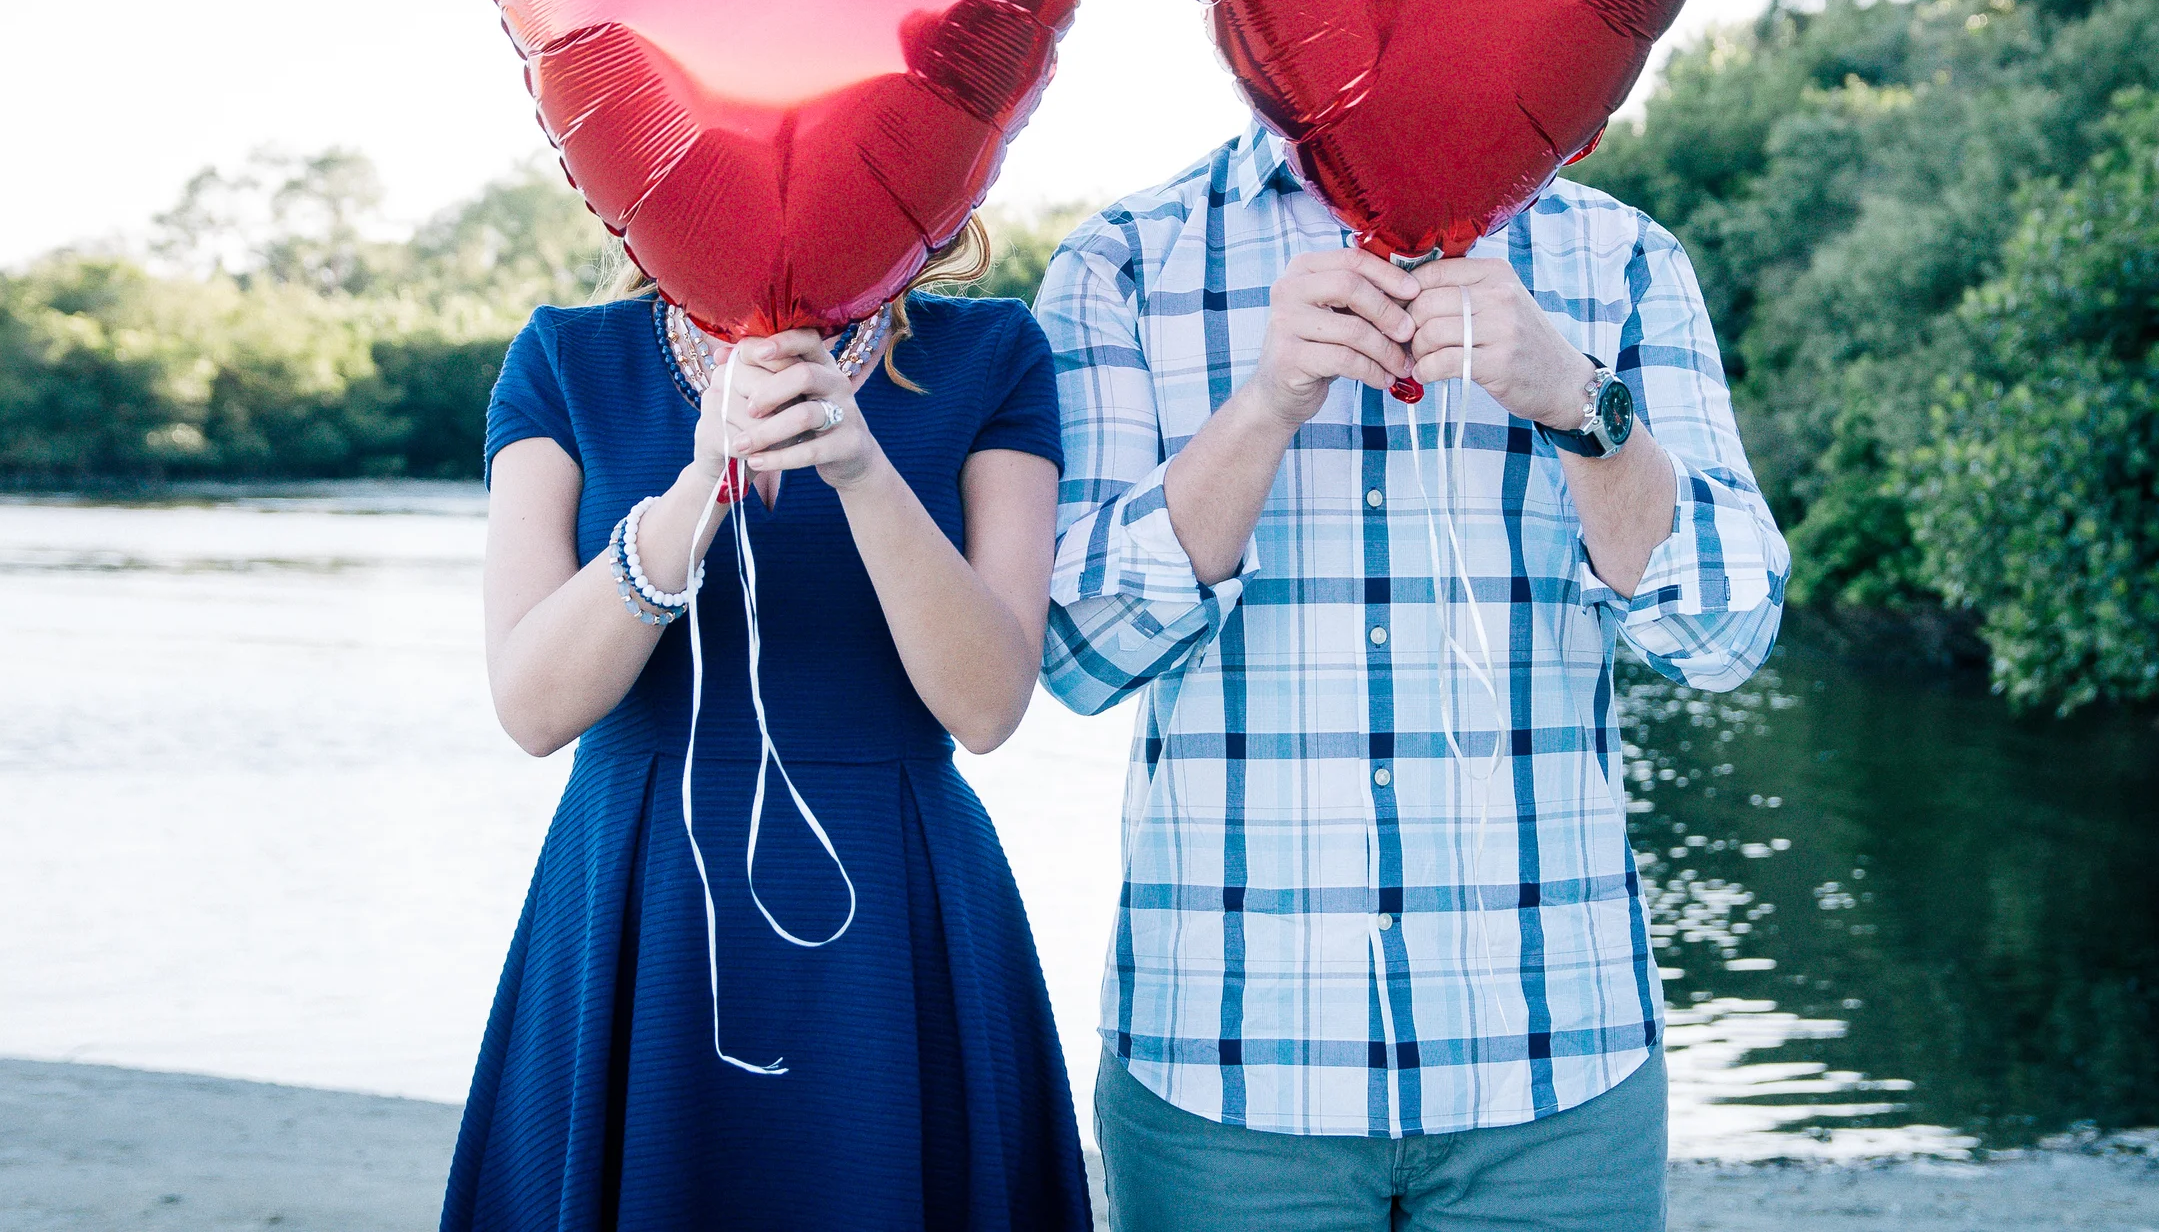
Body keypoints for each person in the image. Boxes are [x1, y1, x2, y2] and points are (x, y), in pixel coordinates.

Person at [1036, 126, 1788, 1231]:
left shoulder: (1620, 257)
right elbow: (1080, 655)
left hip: (1556, 1070)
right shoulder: (1126, 261)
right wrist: (1262, 407)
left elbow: (1724, 634)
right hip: (1224, 1070)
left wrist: (1580, 402)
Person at [443, 228, 1091, 1232]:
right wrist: (703, 476)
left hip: (895, 898)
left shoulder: (991, 353)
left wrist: (862, 467)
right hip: (633, 893)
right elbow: (533, 707)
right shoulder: (568, 356)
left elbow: (987, 704)